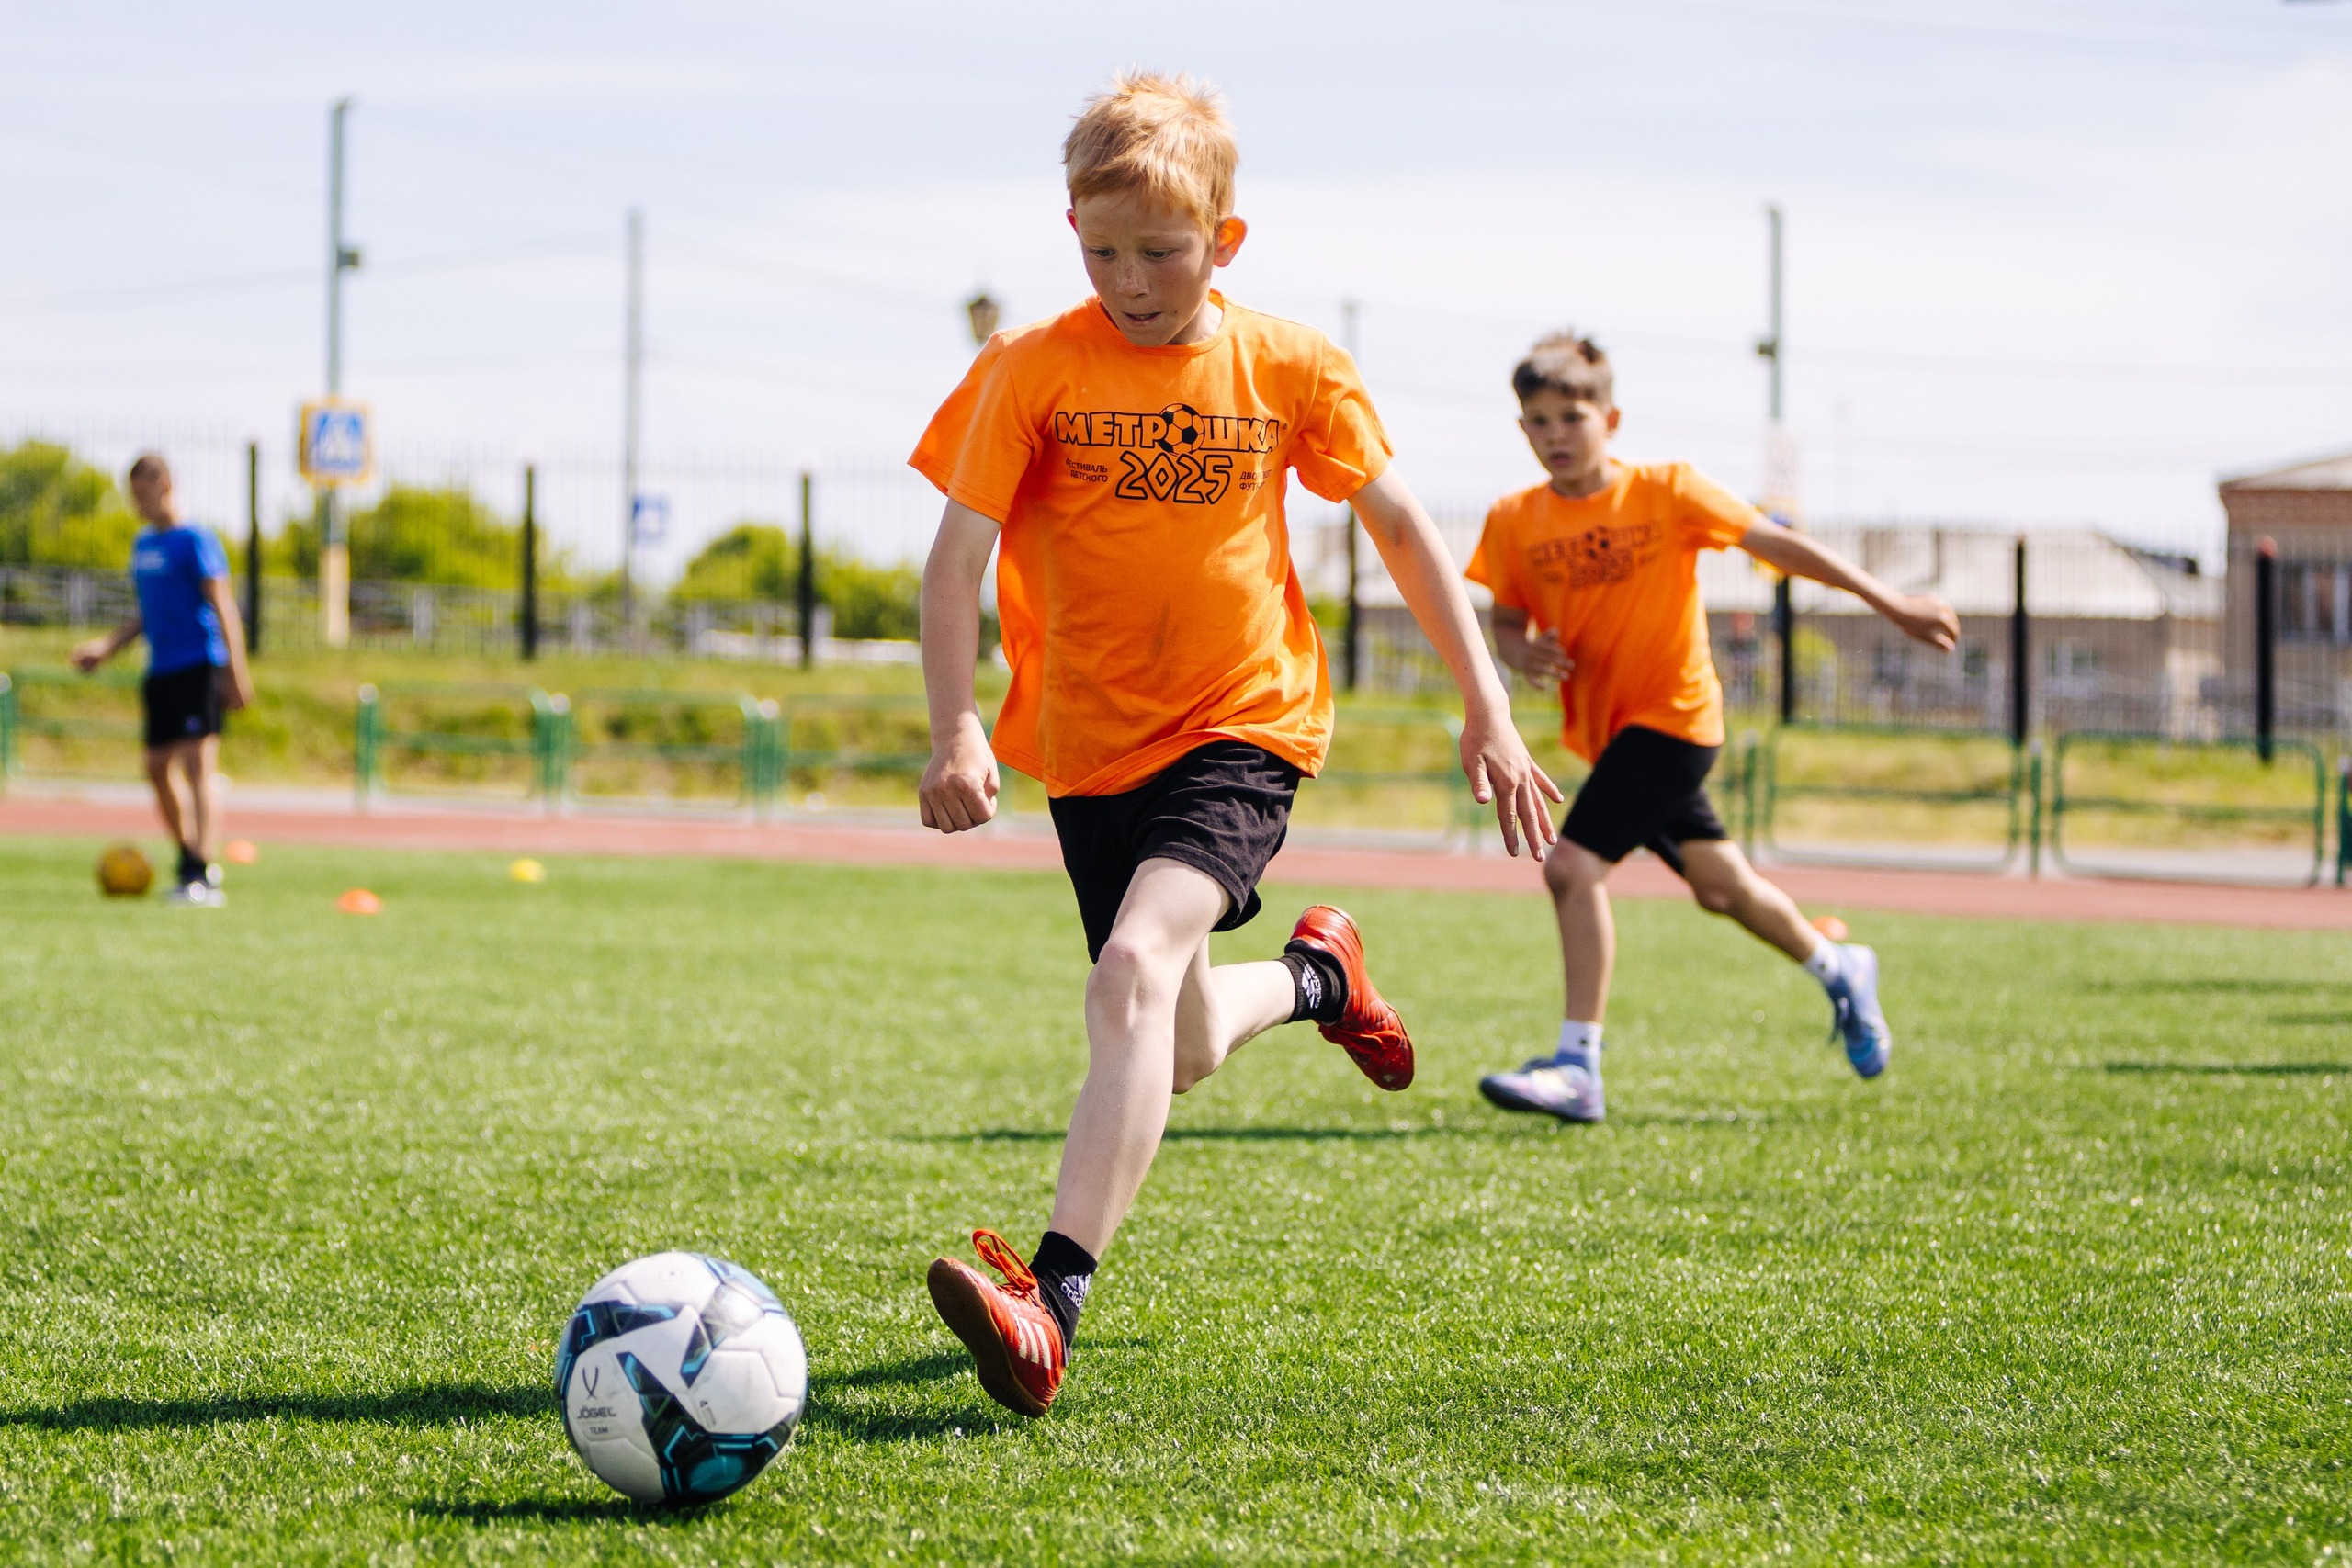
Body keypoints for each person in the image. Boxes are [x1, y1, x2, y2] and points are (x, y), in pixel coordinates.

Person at [908, 72, 1559, 1417]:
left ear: (1225, 239)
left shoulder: (1290, 365)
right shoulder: (1030, 366)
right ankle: (1321, 976)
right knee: (1185, 1035)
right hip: (1090, 747)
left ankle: (1049, 1301)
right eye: (1101, 252)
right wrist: (957, 721)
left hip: (1241, 721)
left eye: (1160, 252)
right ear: (1071, 231)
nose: (1129, 281)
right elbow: (955, 559)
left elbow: (1400, 527)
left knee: (1131, 973)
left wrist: (1487, 703)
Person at [1470, 333, 1960, 1124]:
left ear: (1611, 419)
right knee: (1721, 888)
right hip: (1612, 734)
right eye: (1539, 420)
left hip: (1677, 720)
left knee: (1570, 868)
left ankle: (1578, 1066)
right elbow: (1506, 619)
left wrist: (1890, 601)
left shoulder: (1669, 490)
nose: (1556, 433)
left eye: (1572, 416)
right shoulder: (1512, 519)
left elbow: (1779, 544)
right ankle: (1840, 967)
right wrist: (1521, 652)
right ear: (1522, 428)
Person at [70, 453, 254, 906]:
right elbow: (147, 614)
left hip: (199, 664)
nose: (137, 503)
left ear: (165, 486)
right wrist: (107, 648)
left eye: (142, 493)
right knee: (155, 768)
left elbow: (223, 606)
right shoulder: (143, 545)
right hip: (161, 669)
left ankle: (201, 872)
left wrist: (236, 672)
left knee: (198, 766)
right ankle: (192, 856)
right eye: (132, 495)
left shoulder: (196, 540)